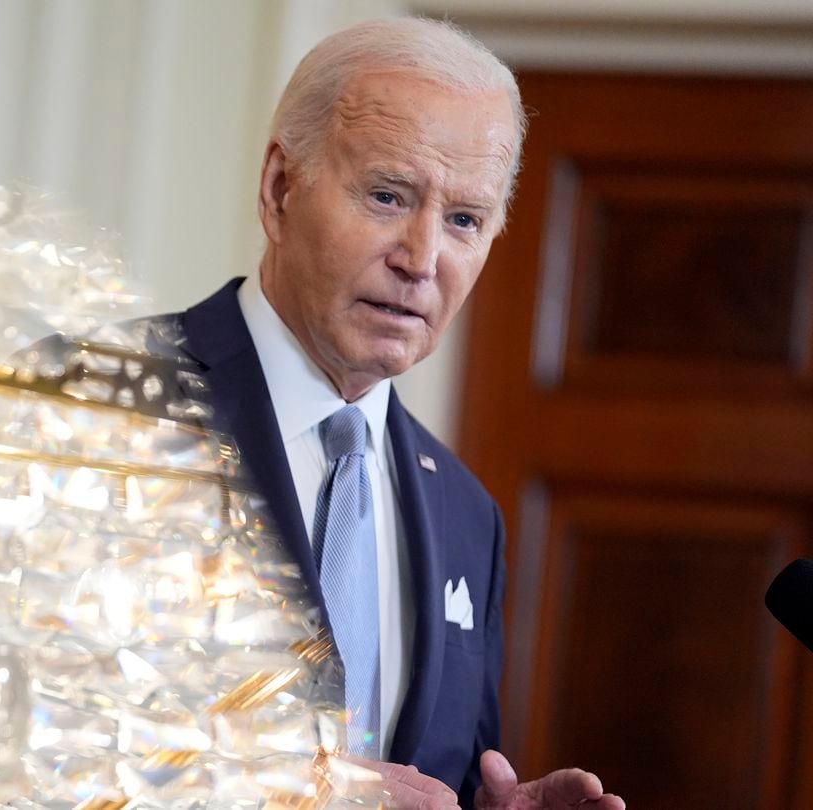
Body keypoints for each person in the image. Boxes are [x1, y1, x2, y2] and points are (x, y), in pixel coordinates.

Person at [165, 19, 624, 809]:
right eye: (387, 196)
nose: (422, 259)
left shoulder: (465, 516)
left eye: (464, 221)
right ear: (280, 189)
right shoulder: (98, 403)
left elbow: (430, 778)